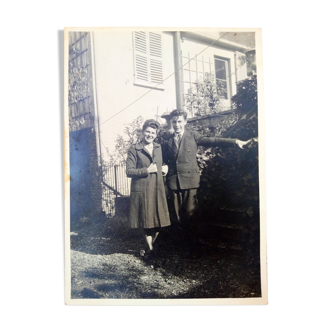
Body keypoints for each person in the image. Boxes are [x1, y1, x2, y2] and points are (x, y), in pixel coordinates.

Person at [162, 109, 257, 252]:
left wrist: (236, 142)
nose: (177, 125)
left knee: (191, 215)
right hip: (174, 182)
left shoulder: (192, 135)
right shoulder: (167, 140)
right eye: (174, 122)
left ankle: (193, 248)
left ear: (185, 122)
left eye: (179, 121)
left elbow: (213, 140)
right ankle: (181, 247)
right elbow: (161, 157)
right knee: (176, 216)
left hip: (190, 181)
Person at [126, 119, 170, 260]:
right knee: (146, 222)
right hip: (143, 190)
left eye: (153, 132)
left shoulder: (158, 147)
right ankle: (151, 251)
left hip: (157, 189)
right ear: (142, 131)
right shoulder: (135, 149)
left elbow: (162, 163)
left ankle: (148, 248)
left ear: (156, 134)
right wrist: (147, 170)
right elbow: (129, 171)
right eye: (148, 131)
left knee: (159, 222)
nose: (150, 135)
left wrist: (165, 168)